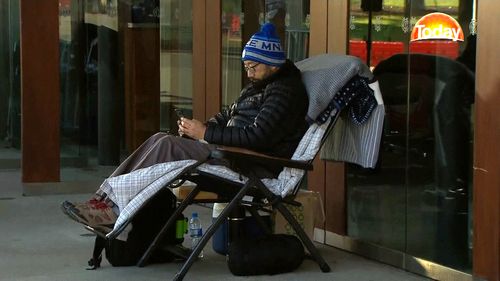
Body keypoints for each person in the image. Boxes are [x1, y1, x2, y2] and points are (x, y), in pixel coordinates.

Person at [61, 22, 309, 232]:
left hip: (251, 164)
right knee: (160, 138)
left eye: (253, 67)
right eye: (246, 67)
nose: (248, 73)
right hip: (230, 152)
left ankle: (111, 210)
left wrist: (205, 134)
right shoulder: (260, 86)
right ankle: (102, 201)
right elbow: (228, 115)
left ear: (273, 64)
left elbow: (259, 136)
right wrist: (202, 127)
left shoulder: (285, 92)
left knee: (167, 144)